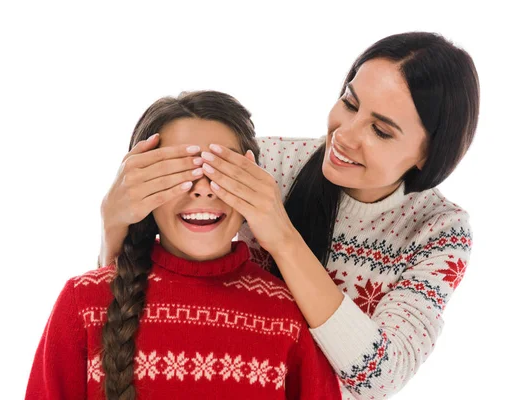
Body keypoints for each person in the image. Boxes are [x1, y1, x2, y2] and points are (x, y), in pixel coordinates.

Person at [98, 32, 480, 399]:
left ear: (428, 154)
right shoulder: (271, 162)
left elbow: (380, 376)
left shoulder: (439, 231)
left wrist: (281, 237)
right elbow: (153, 289)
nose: (345, 135)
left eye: (380, 130)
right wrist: (114, 222)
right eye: (349, 102)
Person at [26, 91, 342, 399]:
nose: (203, 189)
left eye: (221, 168)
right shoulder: (82, 304)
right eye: (179, 171)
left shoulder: (289, 315)